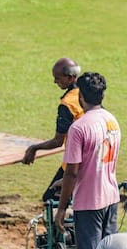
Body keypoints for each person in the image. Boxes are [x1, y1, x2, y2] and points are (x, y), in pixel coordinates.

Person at [55, 71, 120, 249]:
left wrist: (61, 208)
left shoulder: (79, 127)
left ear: (80, 95)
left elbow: (72, 170)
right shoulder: (112, 120)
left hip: (89, 202)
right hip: (110, 195)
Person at [21, 57, 84, 201]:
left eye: (58, 78)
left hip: (73, 163)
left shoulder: (67, 104)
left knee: (51, 200)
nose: (55, 82)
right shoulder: (87, 93)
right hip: (94, 159)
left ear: (69, 77)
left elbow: (58, 141)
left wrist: (34, 148)